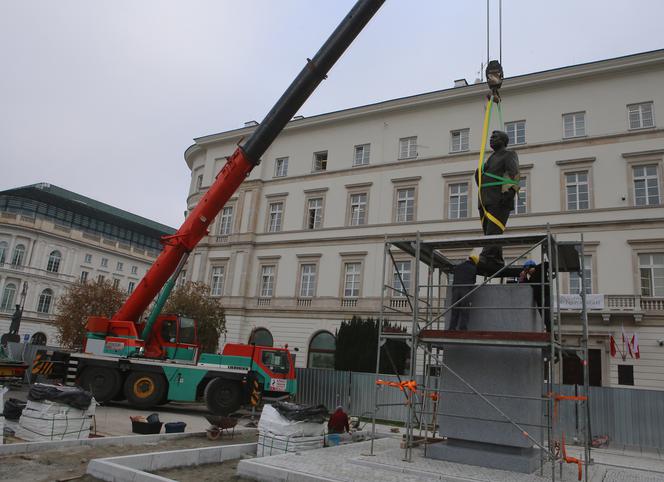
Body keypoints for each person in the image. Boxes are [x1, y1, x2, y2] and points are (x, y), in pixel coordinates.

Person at [475, 130, 520, 273]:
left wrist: (511, 192)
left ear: (503, 140)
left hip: (499, 199)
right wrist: (479, 172)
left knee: (493, 230)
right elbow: (480, 180)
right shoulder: (489, 159)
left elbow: (514, 174)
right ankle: (496, 259)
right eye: (491, 137)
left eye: (495, 137)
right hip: (484, 199)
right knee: (489, 231)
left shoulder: (509, 154)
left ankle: (486, 256)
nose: (491, 139)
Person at [448, 255, 479, 331]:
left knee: (454, 310)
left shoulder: (458, 267)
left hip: (455, 290)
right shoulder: (473, 268)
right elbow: (473, 281)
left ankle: (452, 328)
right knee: (464, 310)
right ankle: (463, 328)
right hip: (465, 290)